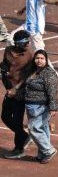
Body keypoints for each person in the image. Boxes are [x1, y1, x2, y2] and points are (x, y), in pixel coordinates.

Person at [22, 49, 58, 163]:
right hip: (31, 106)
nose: (39, 60)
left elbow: (52, 91)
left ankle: (48, 151)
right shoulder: (33, 71)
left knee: (33, 128)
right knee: (43, 129)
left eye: (42, 58)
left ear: (46, 60)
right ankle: (42, 154)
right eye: (37, 58)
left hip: (41, 107)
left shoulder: (49, 73)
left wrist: (53, 107)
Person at [1, 31, 33, 159]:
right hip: (9, 88)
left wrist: (16, 88)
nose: (27, 44)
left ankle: (19, 149)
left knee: (17, 120)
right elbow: (4, 63)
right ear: (17, 43)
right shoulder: (8, 50)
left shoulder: (29, 55)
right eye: (25, 42)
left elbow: (28, 75)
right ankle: (24, 136)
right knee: (5, 117)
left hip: (21, 91)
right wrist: (2, 69)